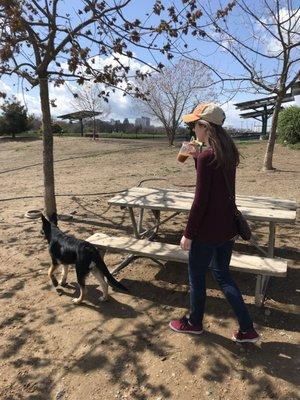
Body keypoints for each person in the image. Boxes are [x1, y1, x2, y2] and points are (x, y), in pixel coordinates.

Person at [169, 103, 259, 343]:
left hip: (207, 231)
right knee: (223, 276)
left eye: (194, 125)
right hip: (227, 228)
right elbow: (216, 185)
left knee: (196, 276)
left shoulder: (208, 155)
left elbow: (201, 201)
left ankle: (194, 322)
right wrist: (197, 157)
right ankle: (247, 328)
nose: (192, 129)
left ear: (204, 126)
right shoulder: (226, 151)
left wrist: (188, 233)